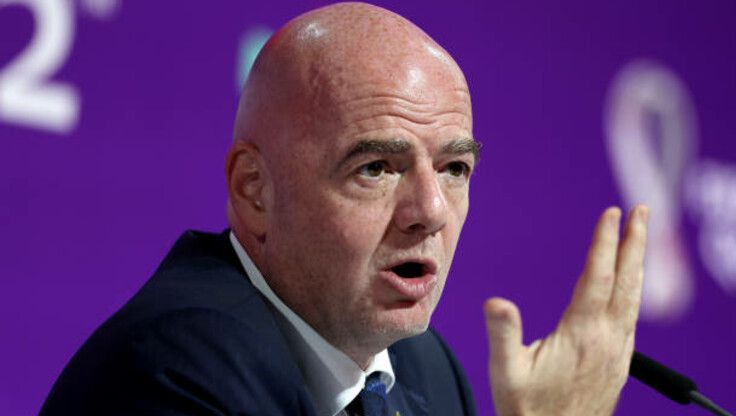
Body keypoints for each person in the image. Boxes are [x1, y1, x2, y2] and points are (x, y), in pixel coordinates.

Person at [40, 2, 649, 415]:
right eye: (376, 168)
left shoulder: (425, 368)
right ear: (254, 190)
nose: (431, 210)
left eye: (454, 169)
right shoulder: (175, 368)